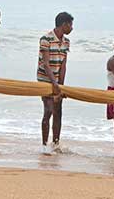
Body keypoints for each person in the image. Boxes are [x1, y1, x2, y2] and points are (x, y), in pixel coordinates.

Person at [37, 12, 73, 154]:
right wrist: (54, 84)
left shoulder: (66, 41)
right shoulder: (46, 39)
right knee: (49, 110)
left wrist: (60, 85)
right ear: (63, 24)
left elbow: (63, 65)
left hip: (57, 80)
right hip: (45, 80)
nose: (72, 28)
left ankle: (56, 144)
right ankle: (45, 145)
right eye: (70, 24)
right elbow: (45, 64)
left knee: (58, 111)